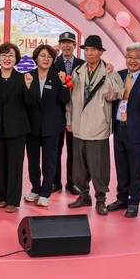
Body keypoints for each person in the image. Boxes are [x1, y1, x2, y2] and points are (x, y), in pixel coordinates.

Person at [66, 35, 123, 215]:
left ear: (100, 52)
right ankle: (84, 195)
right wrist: (69, 120)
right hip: (79, 126)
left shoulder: (110, 72)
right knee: (79, 166)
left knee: (99, 166)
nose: (89, 53)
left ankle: (100, 199)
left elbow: (114, 95)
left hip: (99, 127)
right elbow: (70, 100)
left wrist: (107, 77)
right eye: (87, 50)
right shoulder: (77, 72)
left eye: (93, 50)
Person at [107, 43, 140, 218]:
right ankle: (121, 198)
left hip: (137, 131)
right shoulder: (118, 75)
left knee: (135, 169)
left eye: (137, 57)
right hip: (119, 129)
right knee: (121, 167)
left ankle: (134, 201)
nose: (133, 60)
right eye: (130, 57)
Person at [0, 42, 35, 213]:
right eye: (3, 55)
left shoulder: (23, 77)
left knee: (15, 165)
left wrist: (29, 87)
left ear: (16, 58)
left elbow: (29, 103)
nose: (7, 58)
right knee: (1, 164)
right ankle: (1, 197)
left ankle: (13, 200)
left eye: (10, 55)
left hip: (17, 129)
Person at [25, 45, 70, 207]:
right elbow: (25, 102)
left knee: (50, 161)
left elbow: (64, 100)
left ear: (53, 60)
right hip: (32, 126)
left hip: (52, 126)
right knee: (33, 160)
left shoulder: (57, 77)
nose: (46, 59)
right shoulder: (28, 76)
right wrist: (28, 87)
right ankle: (35, 188)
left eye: (49, 56)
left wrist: (64, 84)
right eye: (42, 56)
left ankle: (45, 192)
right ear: (36, 58)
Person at [52, 31, 85, 195]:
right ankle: (55, 181)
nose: (66, 45)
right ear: (59, 45)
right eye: (63, 43)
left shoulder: (83, 64)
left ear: (74, 45)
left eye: (69, 43)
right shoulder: (52, 62)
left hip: (77, 113)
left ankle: (71, 182)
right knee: (55, 149)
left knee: (74, 150)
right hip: (57, 112)